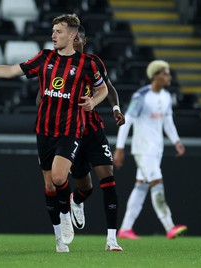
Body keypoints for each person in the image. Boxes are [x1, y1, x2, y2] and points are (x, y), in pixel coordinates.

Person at [0, 14, 108, 253]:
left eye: (58, 31)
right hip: (44, 130)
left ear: (72, 35)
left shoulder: (89, 63)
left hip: (70, 129)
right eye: (53, 31)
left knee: (59, 177)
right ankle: (58, 236)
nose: (53, 35)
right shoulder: (44, 57)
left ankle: (66, 215)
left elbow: (103, 89)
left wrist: (93, 103)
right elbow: (11, 71)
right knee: (49, 187)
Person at [113, 60, 188, 240]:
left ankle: (125, 229)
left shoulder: (167, 96)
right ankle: (169, 226)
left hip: (157, 150)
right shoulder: (141, 96)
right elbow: (127, 121)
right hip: (143, 149)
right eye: (165, 73)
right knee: (156, 181)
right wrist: (119, 148)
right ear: (155, 76)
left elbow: (167, 122)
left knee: (141, 186)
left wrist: (176, 141)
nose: (168, 76)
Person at [66, 25, 125, 251]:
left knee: (108, 180)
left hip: (92, 131)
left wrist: (116, 108)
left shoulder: (93, 63)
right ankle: (77, 200)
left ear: (83, 40)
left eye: (77, 38)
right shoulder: (58, 66)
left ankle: (111, 239)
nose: (73, 42)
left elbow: (108, 88)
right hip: (69, 132)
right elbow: (42, 97)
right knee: (86, 188)